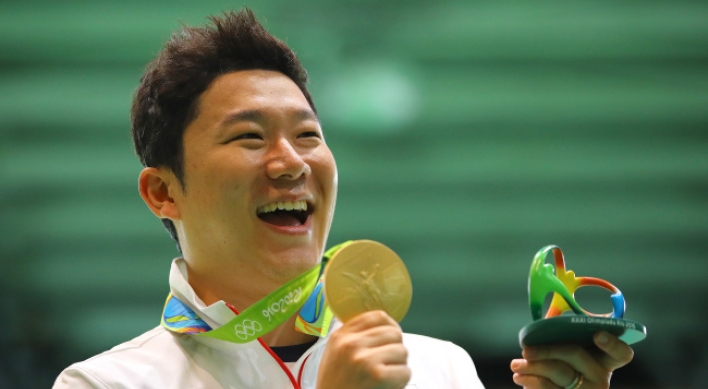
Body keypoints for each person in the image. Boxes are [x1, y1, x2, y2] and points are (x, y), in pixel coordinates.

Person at [53, 9, 633, 389]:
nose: (292, 162)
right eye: (249, 137)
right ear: (163, 192)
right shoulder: (106, 383)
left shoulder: (440, 370)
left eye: (308, 136)